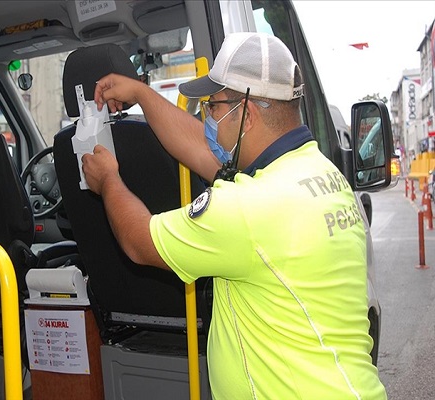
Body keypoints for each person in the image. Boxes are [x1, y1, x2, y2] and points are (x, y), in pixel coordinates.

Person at [81, 32, 386, 399]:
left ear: (246, 113)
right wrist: (145, 97)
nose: (208, 118)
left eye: (212, 107)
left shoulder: (247, 208)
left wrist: (108, 179)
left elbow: (138, 241)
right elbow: (203, 152)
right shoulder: (318, 173)